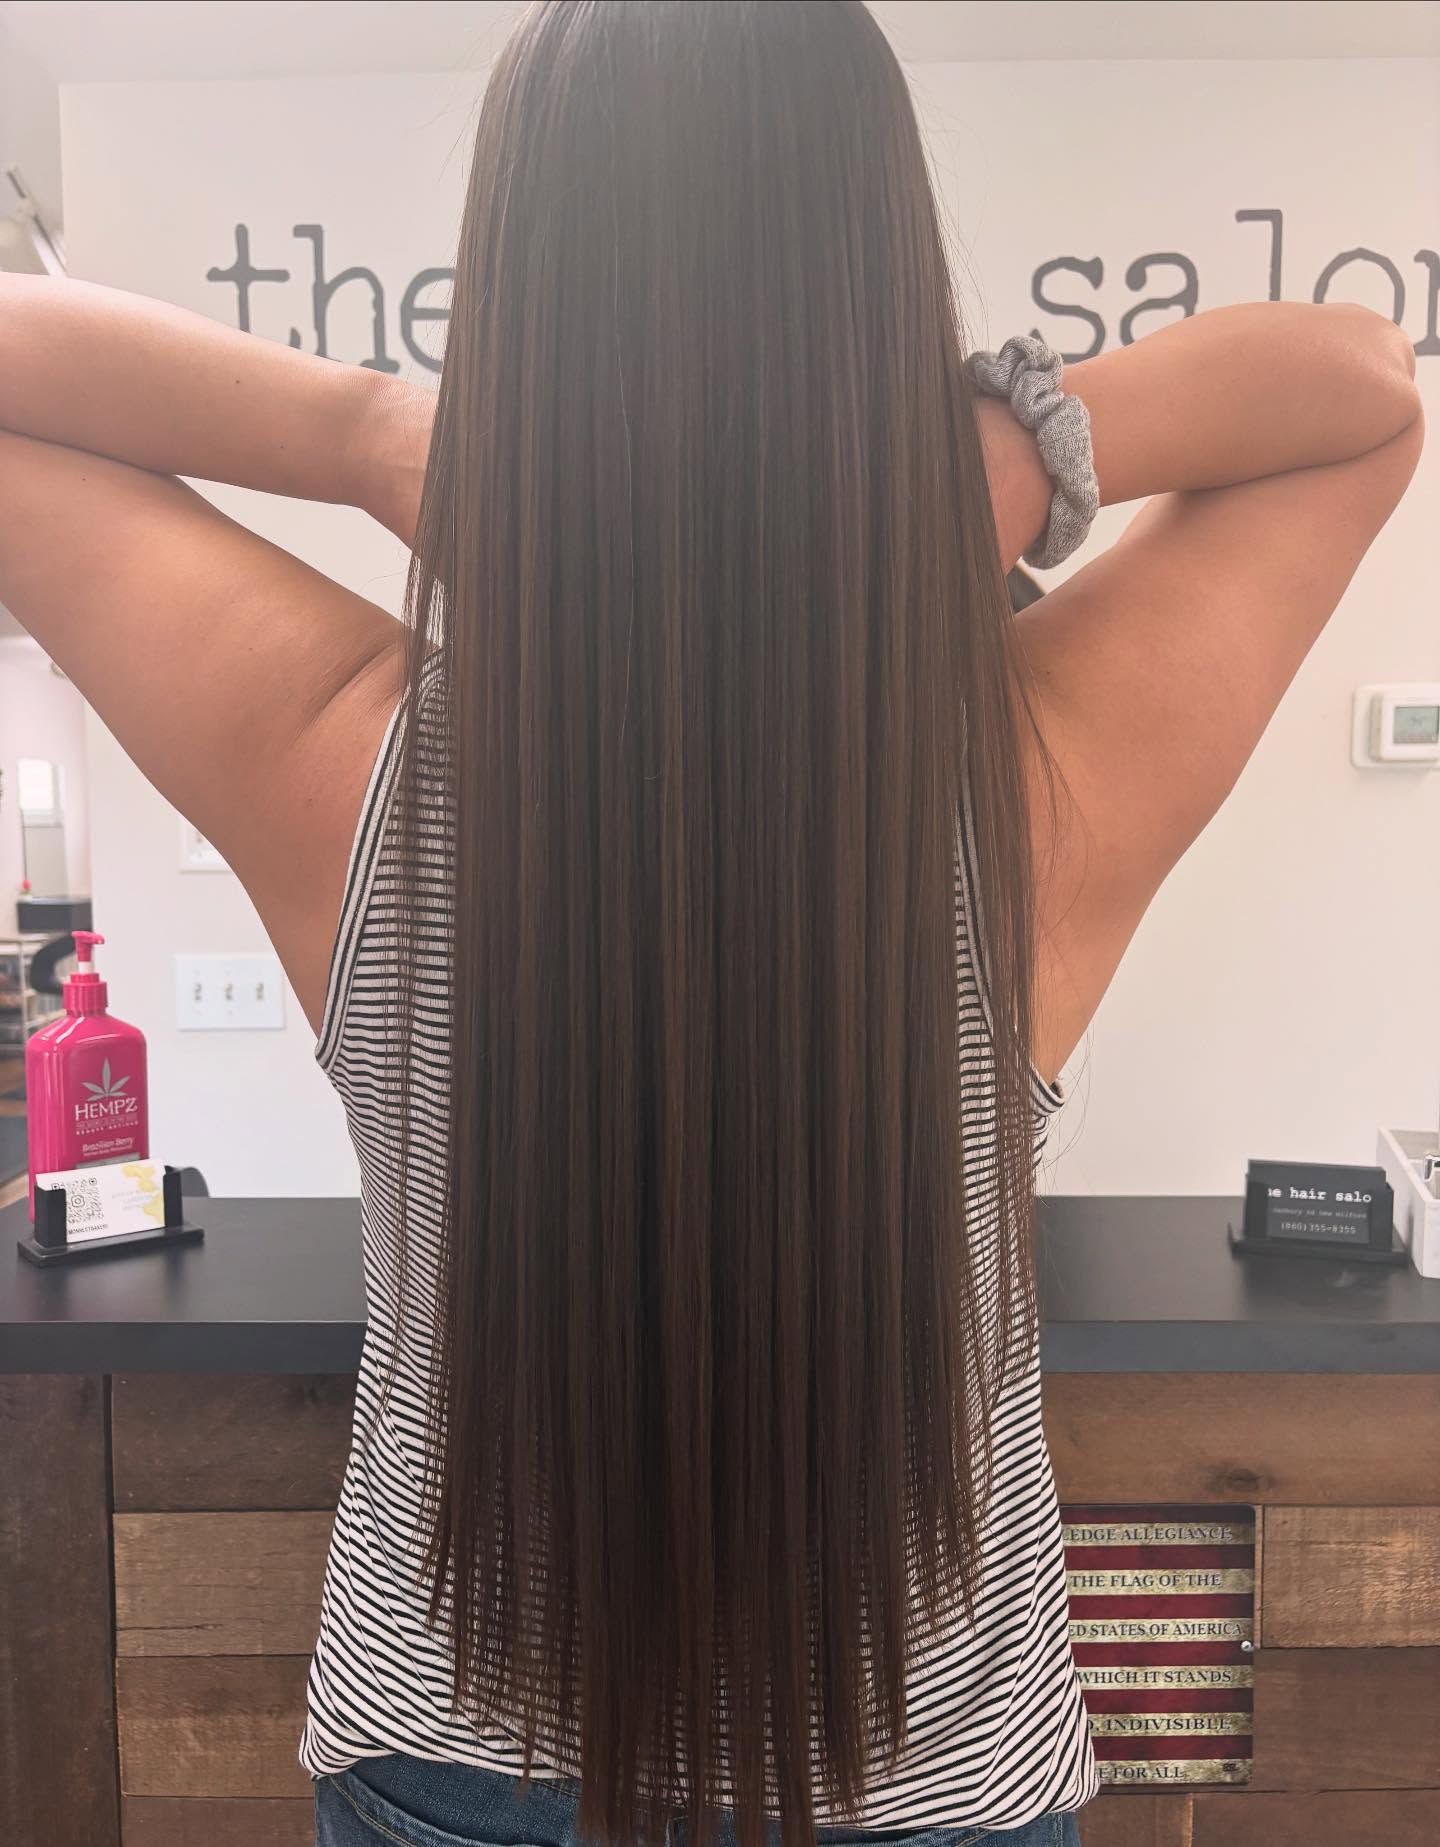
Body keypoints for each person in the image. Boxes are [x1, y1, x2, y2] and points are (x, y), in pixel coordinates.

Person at [0, 4, 1421, 1845]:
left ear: (516, 297)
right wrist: (1000, 440)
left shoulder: (350, 766)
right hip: (932, 1781)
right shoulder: (1036, 776)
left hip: (459, 1764)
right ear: (872, 276)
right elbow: (1361, 386)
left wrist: (375, 433)